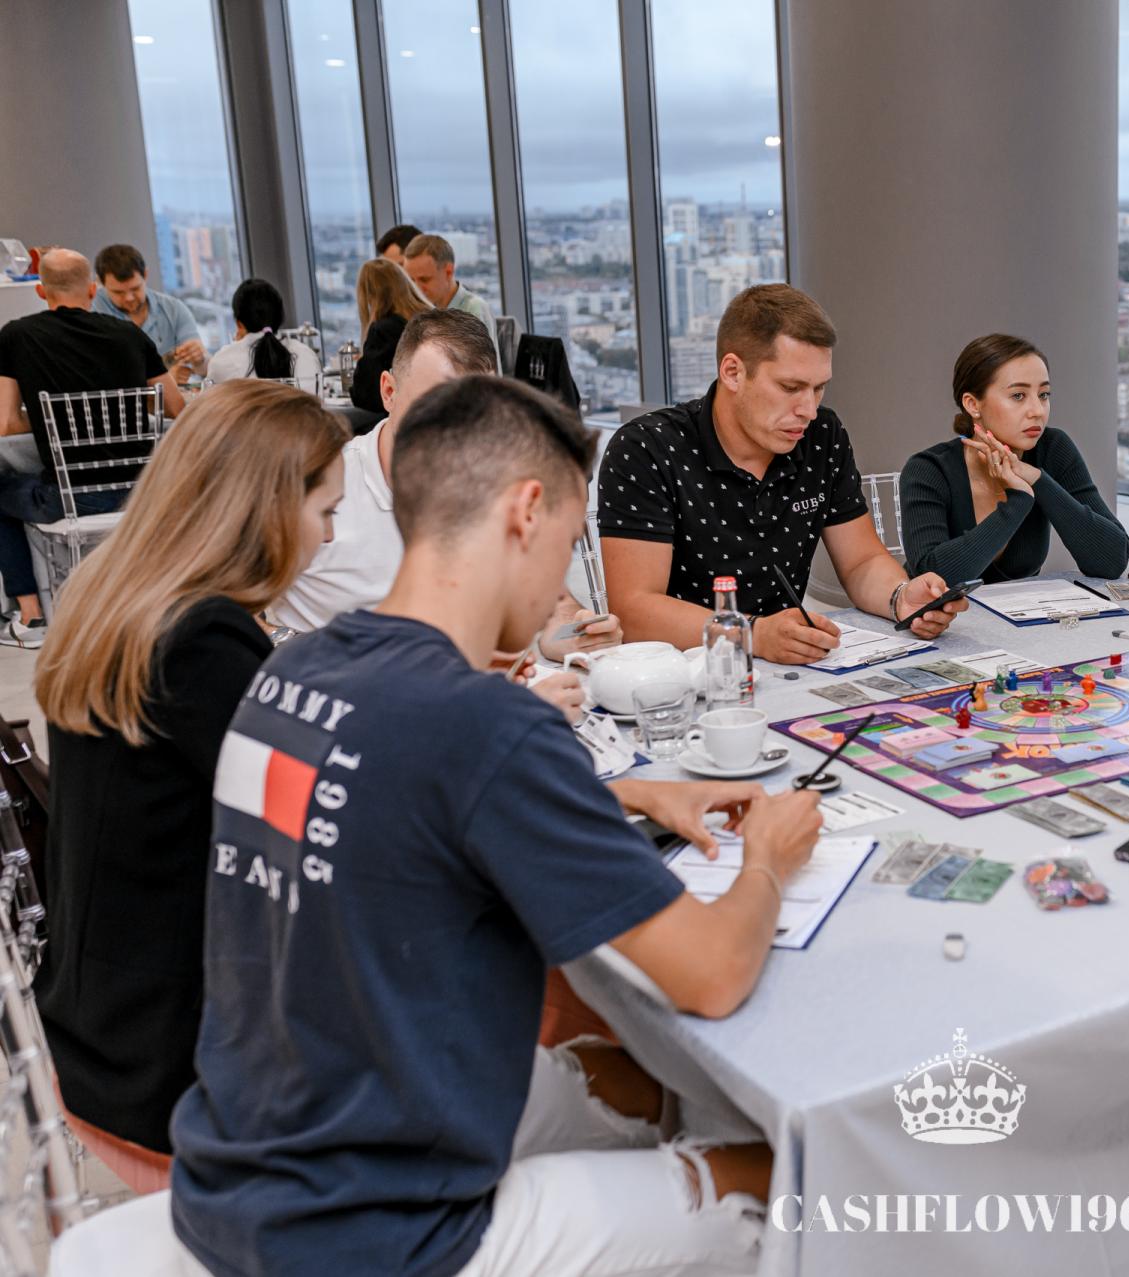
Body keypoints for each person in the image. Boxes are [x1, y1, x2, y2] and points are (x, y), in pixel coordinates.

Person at [58, 375, 824, 1277]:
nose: (564, 586)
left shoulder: (293, 669)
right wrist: (768, 856)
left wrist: (609, 793)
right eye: (569, 541)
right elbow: (715, 972)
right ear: (525, 512)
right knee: (788, 1171)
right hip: (372, 1236)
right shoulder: (488, 723)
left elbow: (407, 795)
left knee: (624, 1076)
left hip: (244, 1160)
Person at [32, 382, 347, 1180]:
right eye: (326, 512)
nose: (329, 537)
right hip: (168, 1065)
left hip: (95, 1027)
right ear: (267, 510)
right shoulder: (201, 638)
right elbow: (323, 818)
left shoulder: (117, 598)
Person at [599, 284, 967, 664]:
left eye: (819, 388)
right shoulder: (646, 448)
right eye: (790, 387)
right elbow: (634, 610)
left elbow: (861, 561)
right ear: (733, 372)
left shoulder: (821, 435)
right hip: (680, 669)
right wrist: (753, 635)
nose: (808, 409)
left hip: (788, 665)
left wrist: (900, 597)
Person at [268, 310, 614, 701]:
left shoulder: (492, 482)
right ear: (388, 392)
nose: (455, 435)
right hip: (338, 701)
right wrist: (303, 651)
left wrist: (574, 632)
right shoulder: (319, 487)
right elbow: (230, 606)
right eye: (432, 408)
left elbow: (551, 600)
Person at [0, 248, 185, 644]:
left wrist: (50, 417)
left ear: (40, 291)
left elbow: (7, 423)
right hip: (141, 492)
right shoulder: (130, 334)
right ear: (91, 290)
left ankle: (31, 617)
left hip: (71, 500)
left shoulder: (16, 336)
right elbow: (175, 408)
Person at [900, 333, 1129, 583]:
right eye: (1018, 396)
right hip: (945, 610)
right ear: (973, 404)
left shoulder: (1052, 448)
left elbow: (1112, 561)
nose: (1037, 411)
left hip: (1024, 608)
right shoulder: (928, 469)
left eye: (1044, 395)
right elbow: (932, 579)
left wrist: (1037, 479)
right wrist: (1018, 500)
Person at [91, 243, 206, 384]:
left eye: (135, 288)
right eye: (118, 292)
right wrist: (164, 381)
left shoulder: (173, 309)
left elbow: (205, 369)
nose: (129, 298)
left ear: (145, 275)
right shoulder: (91, 313)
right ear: (100, 282)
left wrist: (199, 359)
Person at [403, 232, 499, 368]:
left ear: (448, 272)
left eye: (424, 279)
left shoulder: (474, 309)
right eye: (411, 281)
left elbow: (482, 371)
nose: (416, 288)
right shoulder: (422, 310)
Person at [205, 278, 323, 387]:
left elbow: (209, 401)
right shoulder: (306, 355)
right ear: (280, 317)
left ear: (239, 324)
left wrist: (237, 345)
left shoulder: (222, 361)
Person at [350, 258, 431, 413]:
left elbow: (365, 396)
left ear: (369, 296)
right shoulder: (430, 319)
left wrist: (363, 363)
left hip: (402, 412)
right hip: (434, 406)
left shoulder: (382, 331)